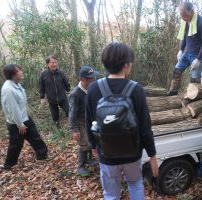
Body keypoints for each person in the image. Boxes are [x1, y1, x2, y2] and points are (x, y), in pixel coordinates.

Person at [85, 42, 159, 200]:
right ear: (126, 65)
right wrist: (152, 156)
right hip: (132, 153)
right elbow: (145, 127)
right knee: (135, 184)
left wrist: (93, 145)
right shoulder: (136, 89)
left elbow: (89, 121)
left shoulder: (93, 89)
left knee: (111, 193)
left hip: (107, 153)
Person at [1, 64, 48, 170]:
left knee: (35, 137)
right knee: (16, 144)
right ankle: (9, 165)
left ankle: (42, 155)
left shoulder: (16, 84)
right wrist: (20, 124)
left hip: (25, 118)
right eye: (19, 71)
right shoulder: (8, 89)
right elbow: (13, 109)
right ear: (12, 74)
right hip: (16, 123)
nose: (21, 72)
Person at [167, 1, 202, 96]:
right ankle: (173, 93)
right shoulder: (185, 22)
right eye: (182, 16)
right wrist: (181, 49)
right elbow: (185, 37)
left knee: (194, 79)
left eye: (185, 16)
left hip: (199, 55)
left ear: (192, 12)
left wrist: (198, 59)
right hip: (187, 53)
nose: (183, 19)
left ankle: (192, 100)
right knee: (176, 71)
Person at [69, 66, 99, 176]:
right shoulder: (76, 94)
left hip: (90, 120)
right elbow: (72, 114)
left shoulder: (91, 89)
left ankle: (88, 160)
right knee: (84, 143)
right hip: (80, 122)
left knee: (91, 141)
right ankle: (80, 166)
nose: (94, 80)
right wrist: (74, 129)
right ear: (83, 79)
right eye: (91, 78)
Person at [39, 55, 70, 127]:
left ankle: (73, 124)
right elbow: (41, 86)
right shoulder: (44, 74)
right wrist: (42, 97)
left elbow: (66, 82)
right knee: (55, 116)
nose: (55, 64)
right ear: (47, 64)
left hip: (62, 97)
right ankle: (58, 127)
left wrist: (68, 91)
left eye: (56, 62)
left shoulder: (60, 72)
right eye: (52, 63)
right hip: (51, 99)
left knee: (69, 111)